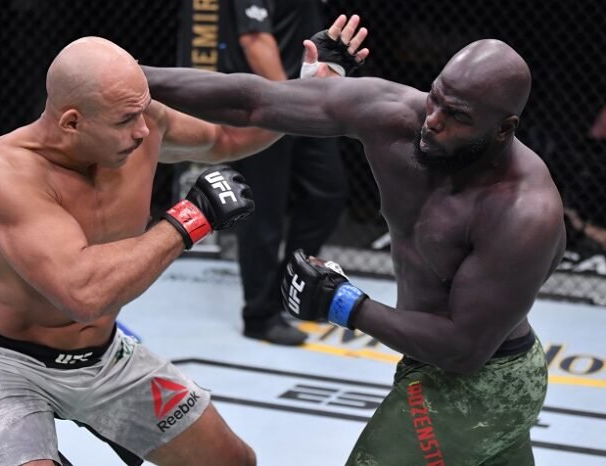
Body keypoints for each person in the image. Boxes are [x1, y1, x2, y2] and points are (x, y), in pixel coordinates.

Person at [142, 20, 566, 465]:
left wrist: (344, 304)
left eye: (457, 116)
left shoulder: (523, 211)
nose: (433, 120)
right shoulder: (395, 115)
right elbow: (253, 102)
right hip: (438, 362)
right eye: (436, 97)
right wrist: (131, 75)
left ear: (503, 129)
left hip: (481, 383)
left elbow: (463, 349)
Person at [0, 36, 282, 466]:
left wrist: (313, 87)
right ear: (72, 122)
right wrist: (190, 219)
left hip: (107, 357)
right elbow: (83, 294)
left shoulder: (144, 125)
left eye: (143, 110)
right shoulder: (7, 173)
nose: (143, 130)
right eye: (126, 119)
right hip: (12, 363)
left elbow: (228, 136)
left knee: (233, 462)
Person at [218, 1, 355, 345]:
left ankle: (288, 288)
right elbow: (255, 40)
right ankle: (259, 316)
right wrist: (287, 103)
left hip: (301, 98)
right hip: (265, 106)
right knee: (264, 211)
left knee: (328, 191)